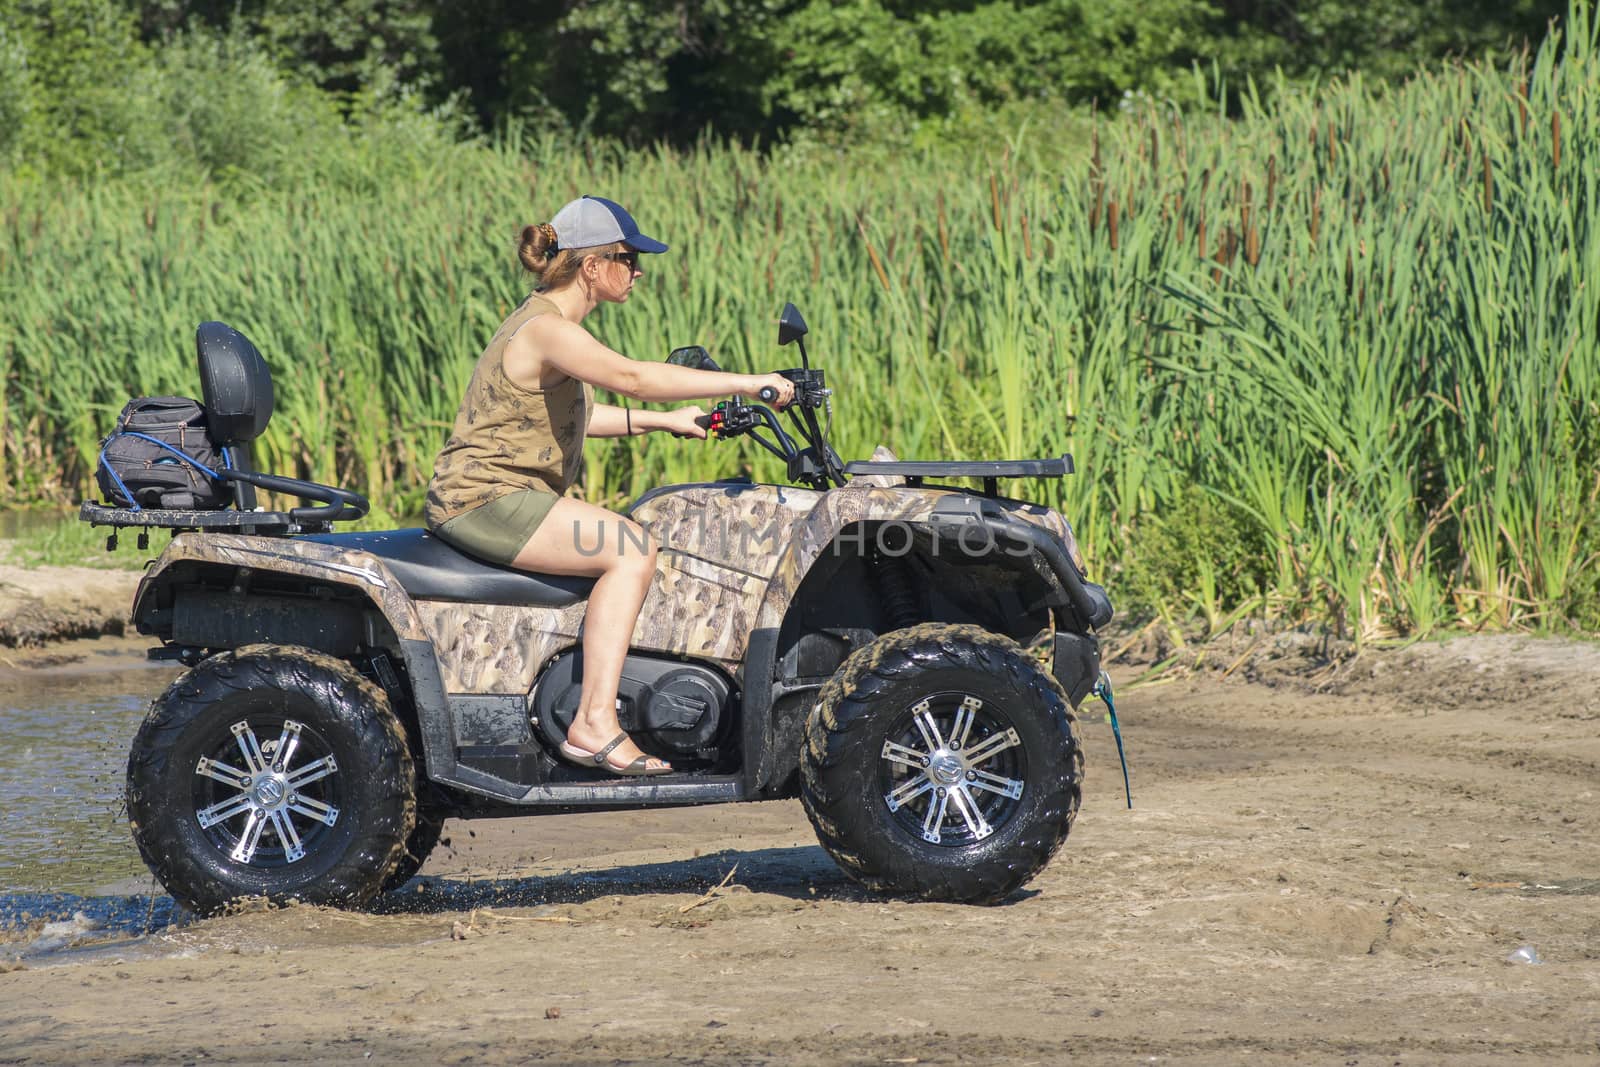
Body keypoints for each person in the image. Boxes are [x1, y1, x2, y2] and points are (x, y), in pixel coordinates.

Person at [424, 195, 794, 777]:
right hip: (484, 498)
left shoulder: (547, 324)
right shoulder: (547, 328)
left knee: (631, 542)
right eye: (629, 257)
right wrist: (752, 383)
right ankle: (593, 721)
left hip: (503, 496)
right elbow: (633, 377)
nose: (639, 270)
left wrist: (666, 422)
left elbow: (576, 419)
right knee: (630, 549)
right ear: (592, 265)